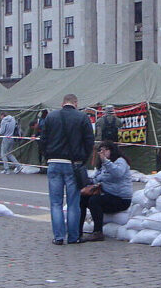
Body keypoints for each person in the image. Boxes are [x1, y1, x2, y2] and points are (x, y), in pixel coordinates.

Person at [42, 94, 94, 245]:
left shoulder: (51, 117)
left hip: (54, 162)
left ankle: (58, 237)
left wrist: (48, 156)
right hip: (73, 164)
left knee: (56, 203)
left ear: (62, 103)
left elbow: (43, 140)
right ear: (76, 103)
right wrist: (83, 160)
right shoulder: (82, 117)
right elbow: (89, 141)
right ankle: (73, 237)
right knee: (73, 203)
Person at [80, 141, 133, 241]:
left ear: (112, 150)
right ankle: (78, 230)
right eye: (101, 150)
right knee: (83, 198)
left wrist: (105, 161)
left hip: (121, 198)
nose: (103, 152)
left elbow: (118, 173)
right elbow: (98, 178)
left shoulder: (120, 161)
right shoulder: (103, 165)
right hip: (107, 195)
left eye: (106, 149)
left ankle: (98, 232)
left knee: (94, 201)